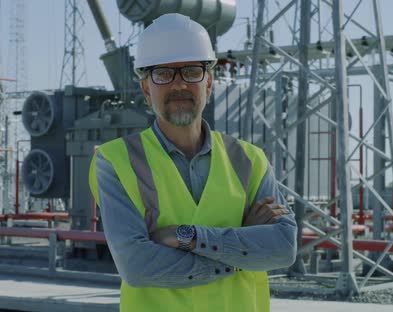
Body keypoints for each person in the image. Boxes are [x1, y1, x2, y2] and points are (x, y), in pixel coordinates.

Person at [89, 13, 297, 312]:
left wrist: (185, 237)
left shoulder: (249, 159)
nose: (179, 85)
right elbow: (136, 265)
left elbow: (282, 248)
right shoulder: (115, 161)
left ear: (209, 83)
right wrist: (239, 255)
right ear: (147, 89)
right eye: (163, 74)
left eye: (190, 71)